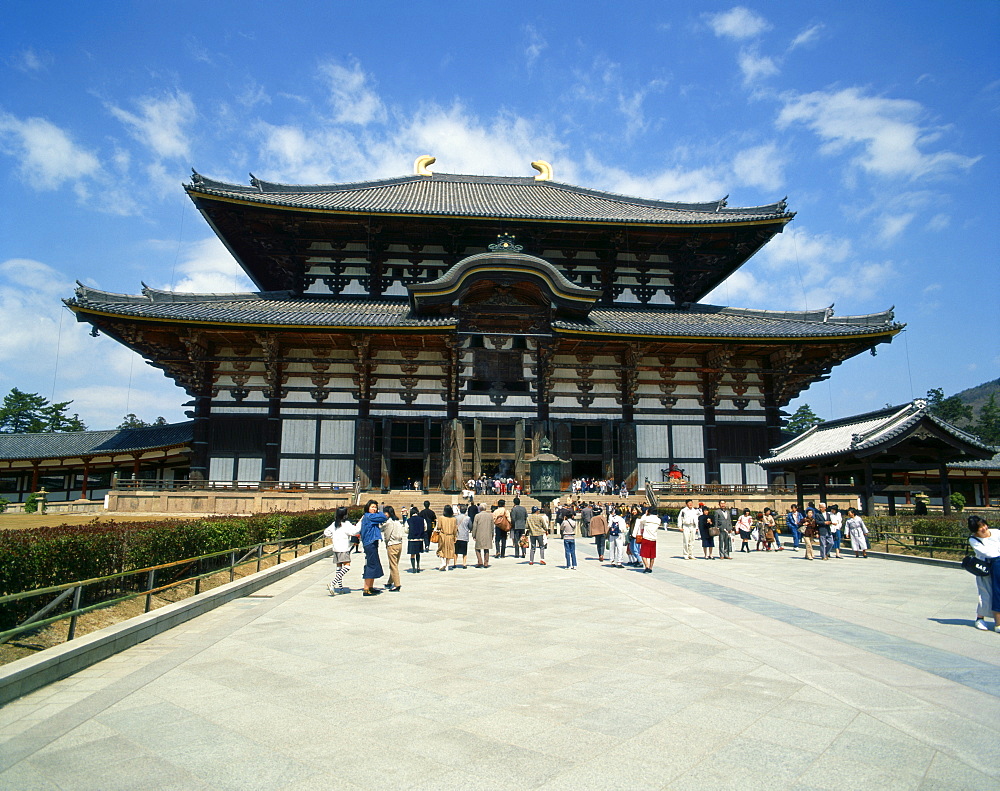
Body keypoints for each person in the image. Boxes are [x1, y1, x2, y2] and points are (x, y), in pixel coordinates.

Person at [968, 515, 1000, 632]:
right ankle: (979, 618)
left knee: (997, 593)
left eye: (984, 525)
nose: (984, 528)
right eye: (980, 527)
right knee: (986, 593)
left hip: (998, 565)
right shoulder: (973, 539)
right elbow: (986, 552)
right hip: (985, 568)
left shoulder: (996, 532)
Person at [323, 506, 359, 595]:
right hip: (343, 548)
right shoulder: (346, 524)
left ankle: (340, 587)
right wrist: (360, 523)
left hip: (336, 548)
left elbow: (326, 532)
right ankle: (333, 583)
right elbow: (354, 532)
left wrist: (333, 536)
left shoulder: (334, 524)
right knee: (347, 567)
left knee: (339, 568)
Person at [358, 499, 387, 596]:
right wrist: (379, 512)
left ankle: (370, 587)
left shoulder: (369, 516)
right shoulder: (369, 516)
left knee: (374, 563)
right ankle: (366, 589)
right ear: (367, 508)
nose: (374, 509)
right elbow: (383, 517)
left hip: (371, 542)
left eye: (375, 507)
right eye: (372, 507)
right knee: (371, 565)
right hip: (369, 543)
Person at [381, 505, 405, 592]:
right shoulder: (398, 522)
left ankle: (397, 584)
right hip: (399, 544)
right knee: (395, 564)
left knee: (393, 565)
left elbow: (387, 535)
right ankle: (390, 581)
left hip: (392, 544)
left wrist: (386, 543)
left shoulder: (389, 523)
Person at [636, 507, 660, 573]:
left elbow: (641, 520)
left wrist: (645, 514)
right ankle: (651, 567)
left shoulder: (646, 518)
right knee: (652, 555)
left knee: (644, 554)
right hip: (653, 538)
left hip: (646, 537)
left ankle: (646, 566)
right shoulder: (658, 520)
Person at [436, 504, 458, 570]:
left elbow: (439, 527)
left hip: (443, 535)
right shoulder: (454, 519)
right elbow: (455, 529)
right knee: (449, 550)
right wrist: (455, 536)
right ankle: (447, 565)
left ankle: (443, 562)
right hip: (450, 536)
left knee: (441, 549)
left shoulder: (441, 518)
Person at [406, 507, 426, 573]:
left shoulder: (409, 520)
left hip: (412, 539)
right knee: (418, 553)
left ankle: (413, 568)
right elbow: (425, 528)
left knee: (412, 554)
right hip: (420, 539)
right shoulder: (422, 519)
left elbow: (406, 530)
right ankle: (418, 566)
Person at [455, 504, 471, 568]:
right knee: (464, 552)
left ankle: (455, 563)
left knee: (456, 551)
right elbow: (470, 526)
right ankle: (464, 564)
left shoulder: (456, 517)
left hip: (457, 536)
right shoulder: (468, 518)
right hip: (464, 536)